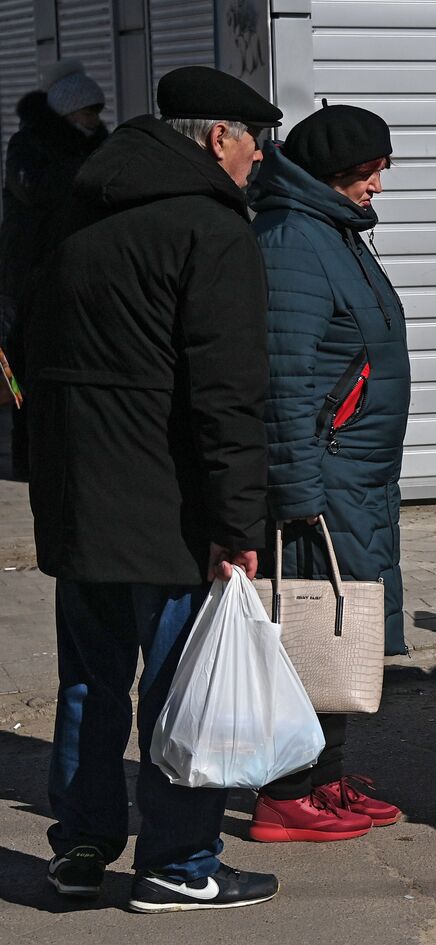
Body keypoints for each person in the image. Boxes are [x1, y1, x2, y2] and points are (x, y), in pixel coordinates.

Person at [24, 65, 285, 911]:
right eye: (253, 146)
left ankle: (83, 845)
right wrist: (239, 519)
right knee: (183, 686)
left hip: (77, 498)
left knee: (90, 682)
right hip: (168, 506)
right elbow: (228, 397)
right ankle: (179, 860)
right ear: (217, 139)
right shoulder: (209, 232)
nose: (257, 164)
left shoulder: (77, 211)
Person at [244, 104, 409, 843]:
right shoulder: (291, 244)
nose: (380, 184)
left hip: (357, 472)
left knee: (342, 629)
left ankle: (326, 776)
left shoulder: (334, 231)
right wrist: (298, 491)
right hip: (325, 477)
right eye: (371, 170)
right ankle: (284, 794)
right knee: (310, 627)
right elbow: (284, 381)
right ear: (338, 171)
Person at [0, 60, 109, 481]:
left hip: (73, 270)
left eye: (97, 110)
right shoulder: (28, 146)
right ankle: (27, 459)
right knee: (23, 374)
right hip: (25, 275)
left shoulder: (97, 143)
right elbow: (33, 189)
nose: (94, 119)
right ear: (67, 112)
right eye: (88, 111)